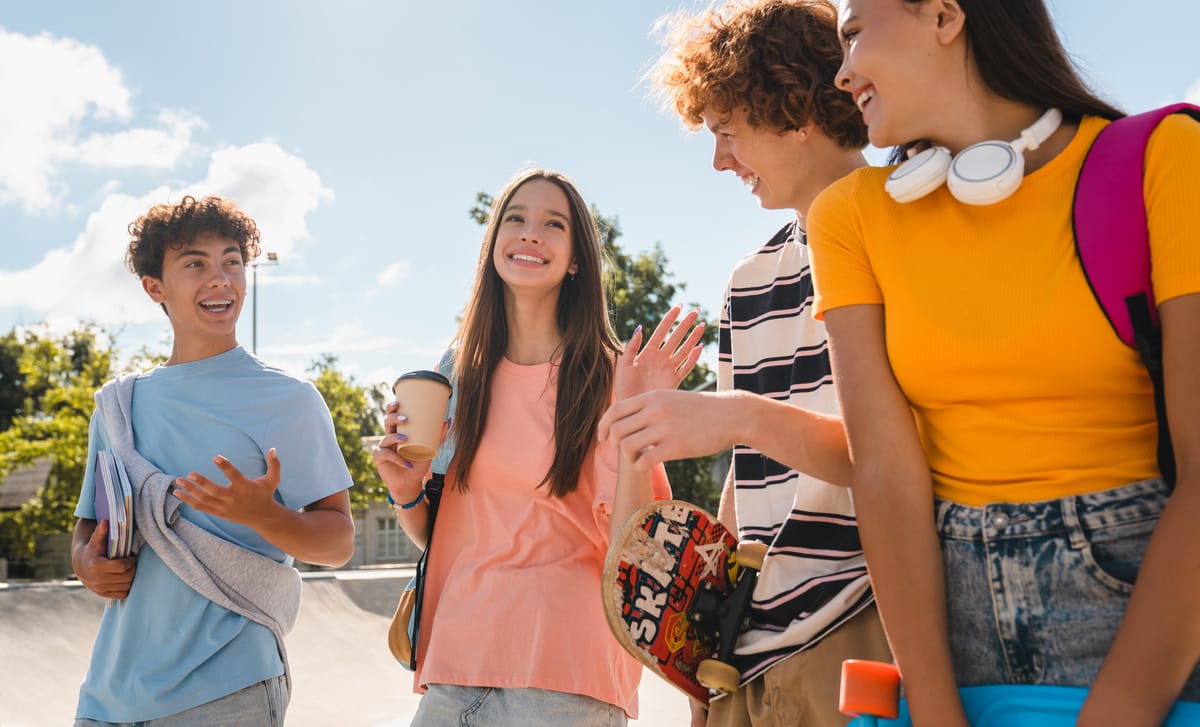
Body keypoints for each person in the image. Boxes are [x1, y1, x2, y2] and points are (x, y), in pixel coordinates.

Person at [806, 1, 1200, 724]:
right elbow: (886, 473)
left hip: (1153, 627)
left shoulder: (1168, 157)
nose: (842, 72)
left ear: (945, 16)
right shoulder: (847, 218)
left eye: (854, 33)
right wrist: (933, 706)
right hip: (953, 637)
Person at [599, 2, 891, 725]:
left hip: (865, 629)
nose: (719, 160)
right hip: (746, 658)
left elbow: (896, 454)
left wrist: (734, 417)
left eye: (728, 132)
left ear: (796, 107)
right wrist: (707, 666)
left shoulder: (907, 231)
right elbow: (746, 478)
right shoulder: (747, 280)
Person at [371, 168, 705, 726]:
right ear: (493, 241)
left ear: (575, 259)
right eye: (515, 218)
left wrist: (635, 428)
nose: (530, 234)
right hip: (455, 667)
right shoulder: (458, 373)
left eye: (553, 224)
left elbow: (637, 548)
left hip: (565, 677)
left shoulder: (607, 376)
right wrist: (407, 493)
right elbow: (447, 533)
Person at [70, 195, 356, 726]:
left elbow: (338, 543)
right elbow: (90, 524)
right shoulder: (118, 406)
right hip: (109, 695)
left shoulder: (289, 400)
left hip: (229, 688)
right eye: (195, 263)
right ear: (155, 286)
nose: (221, 278)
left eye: (232, 261)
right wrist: (86, 564)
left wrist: (264, 515)